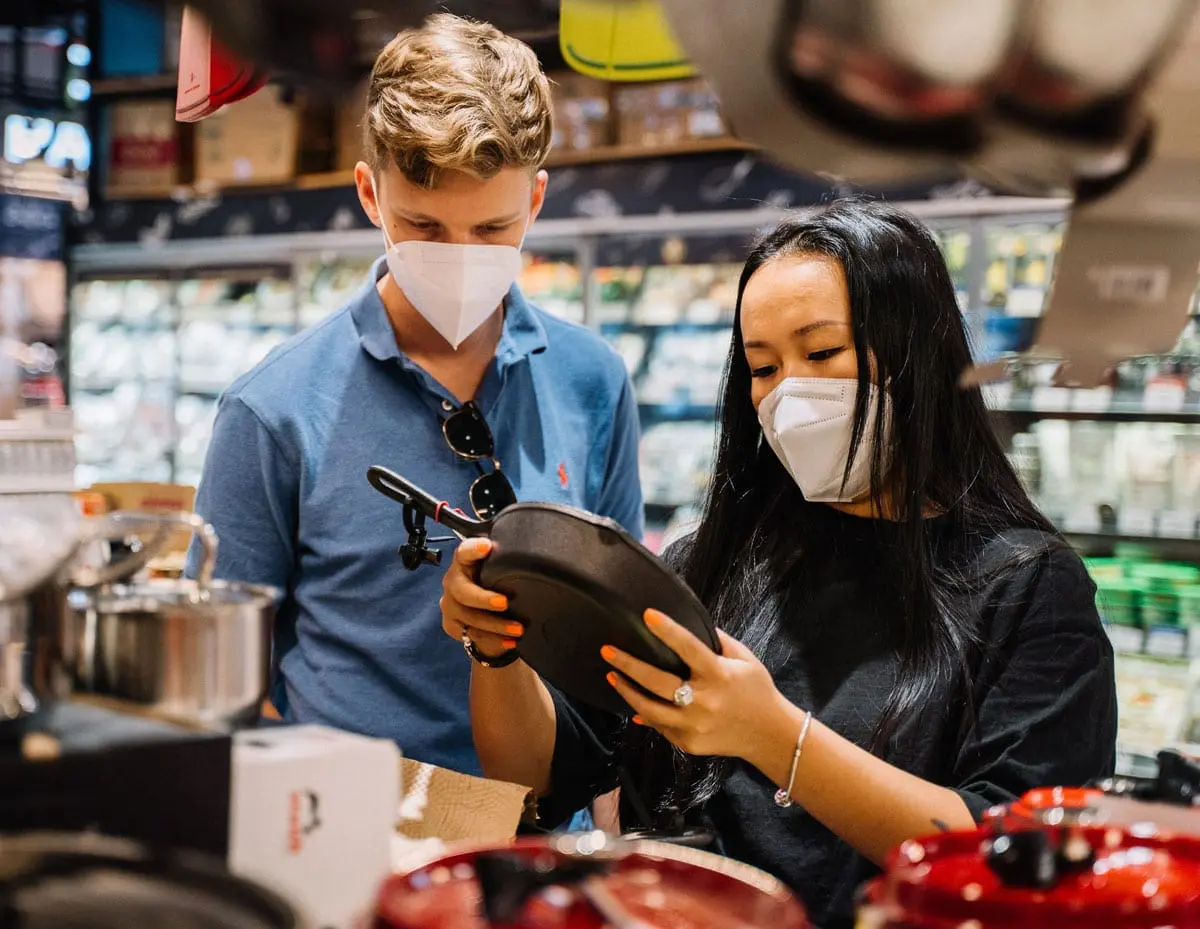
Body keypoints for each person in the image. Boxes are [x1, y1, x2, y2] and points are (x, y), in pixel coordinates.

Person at [441, 199, 1117, 927]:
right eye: (763, 367)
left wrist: (773, 735)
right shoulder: (711, 560)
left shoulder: (1026, 588)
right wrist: (495, 643)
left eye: (822, 354)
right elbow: (539, 771)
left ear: (915, 351)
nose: (788, 391)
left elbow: (1013, 860)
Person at [188, 13, 643, 781]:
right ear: (371, 194)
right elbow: (223, 678)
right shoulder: (271, 409)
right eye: (424, 226)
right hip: (352, 828)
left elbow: (616, 637)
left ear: (535, 203)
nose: (460, 258)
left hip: (544, 835)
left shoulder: (594, 380)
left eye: (492, 227)